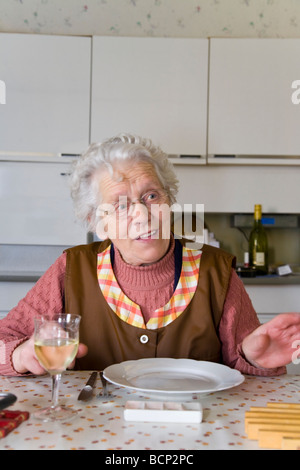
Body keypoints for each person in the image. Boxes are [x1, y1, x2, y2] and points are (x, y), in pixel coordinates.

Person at [0, 133, 299, 377]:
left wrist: (256, 360)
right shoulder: (72, 269)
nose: (144, 215)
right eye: (121, 205)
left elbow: (249, 370)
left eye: (151, 196)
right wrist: (18, 354)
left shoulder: (215, 270)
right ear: (97, 223)